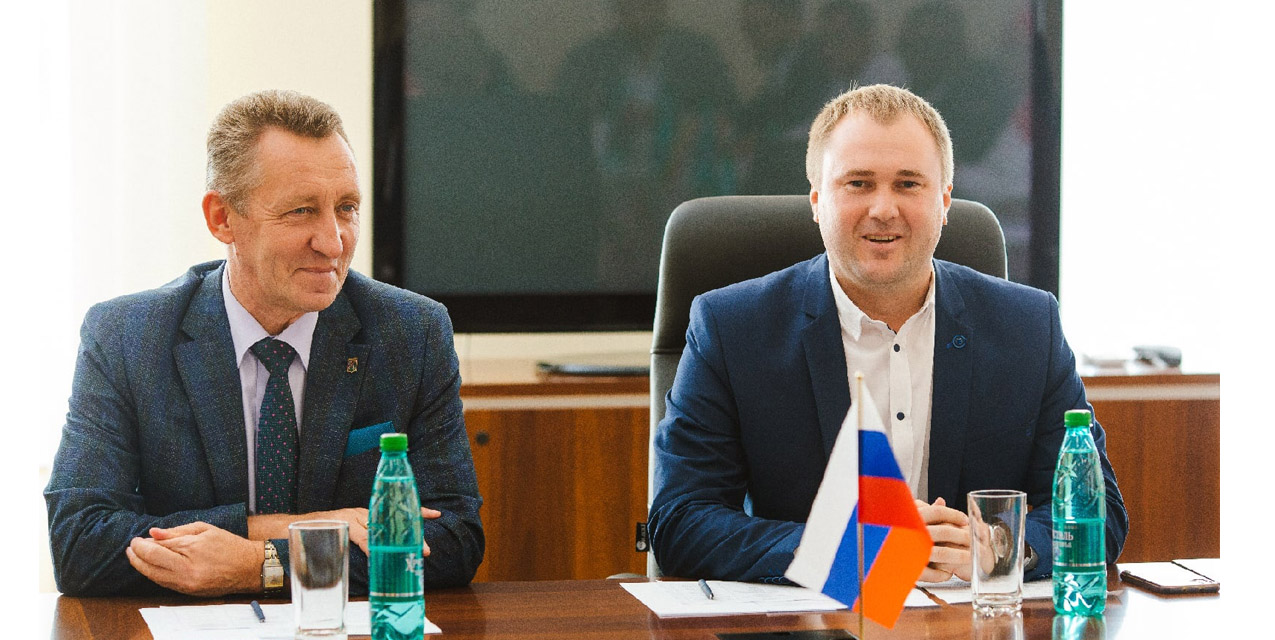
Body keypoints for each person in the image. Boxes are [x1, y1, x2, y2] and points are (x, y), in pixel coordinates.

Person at [648, 84, 1127, 584]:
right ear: (817, 201)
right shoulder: (731, 328)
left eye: (908, 184)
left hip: (969, 617)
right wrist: (843, 551)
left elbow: (1100, 514)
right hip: (813, 617)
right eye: (858, 183)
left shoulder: (1029, 327)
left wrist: (1003, 547)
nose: (883, 209)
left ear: (944, 201)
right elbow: (680, 520)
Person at [44, 90, 484, 597]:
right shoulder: (127, 336)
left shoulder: (410, 331)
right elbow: (79, 542)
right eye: (301, 211)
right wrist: (288, 528)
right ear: (222, 218)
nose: (333, 242)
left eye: (346, 208)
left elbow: (453, 539)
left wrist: (261, 563)